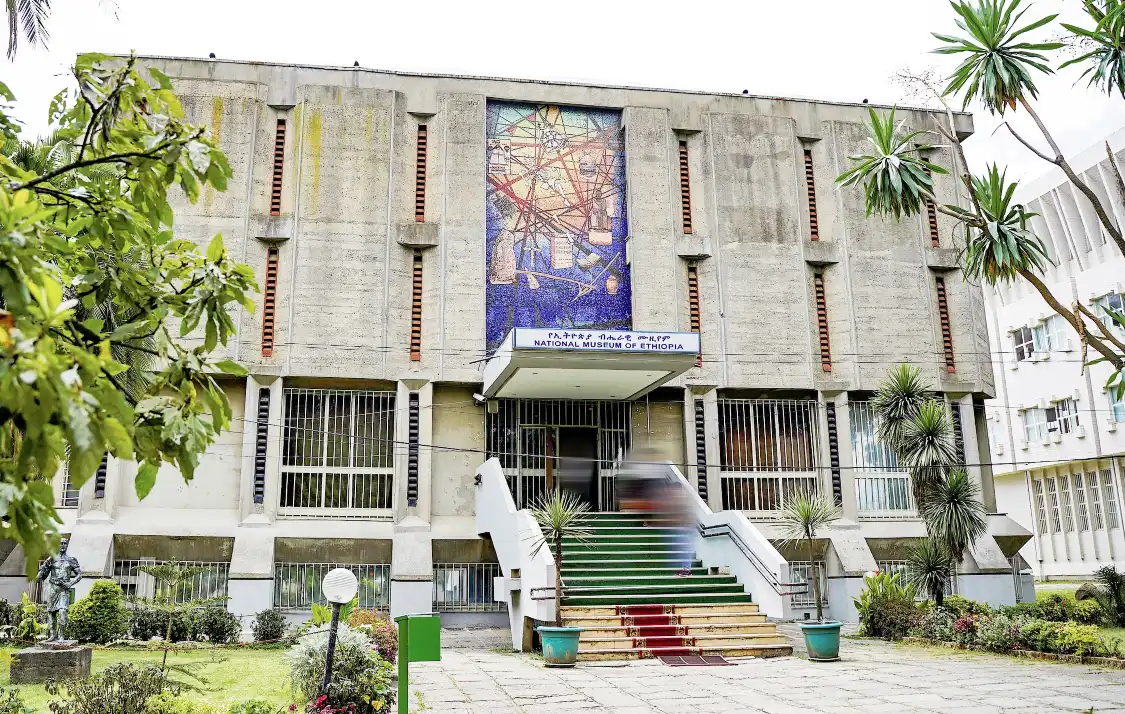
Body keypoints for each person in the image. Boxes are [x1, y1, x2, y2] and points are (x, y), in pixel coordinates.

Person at [38, 538, 83, 642]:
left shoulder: (71, 559)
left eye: (64, 543)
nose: (62, 545)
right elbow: (43, 576)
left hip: (63, 589)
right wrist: (43, 568)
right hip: (53, 588)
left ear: (66, 545)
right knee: (51, 612)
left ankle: (61, 635)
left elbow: (79, 575)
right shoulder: (51, 559)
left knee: (63, 612)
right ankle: (53, 635)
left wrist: (70, 583)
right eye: (60, 543)